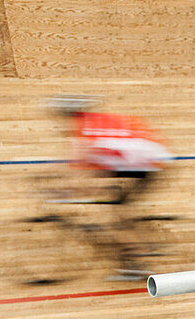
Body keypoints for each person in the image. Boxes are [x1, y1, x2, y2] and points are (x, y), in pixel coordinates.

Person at [41, 95, 173, 278]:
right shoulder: (90, 123)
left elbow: (79, 168)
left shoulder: (85, 131)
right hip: (135, 161)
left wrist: (63, 191)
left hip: (145, 165)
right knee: (111, 203)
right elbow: (81, 166)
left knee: (113, 220)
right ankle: (140, 240)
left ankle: (137, 265)